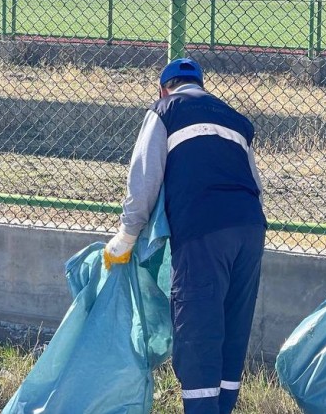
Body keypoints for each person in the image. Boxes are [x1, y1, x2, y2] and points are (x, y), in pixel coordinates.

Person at [103, 58, 267, 414]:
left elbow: (144, 176)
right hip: (251, 228)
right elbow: (256, 184)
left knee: (198, 329)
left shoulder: (165, 111)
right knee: (233, 326)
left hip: (202, 229)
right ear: (201, 85)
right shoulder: (236, 120)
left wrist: (127, 235)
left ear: (164, 88)